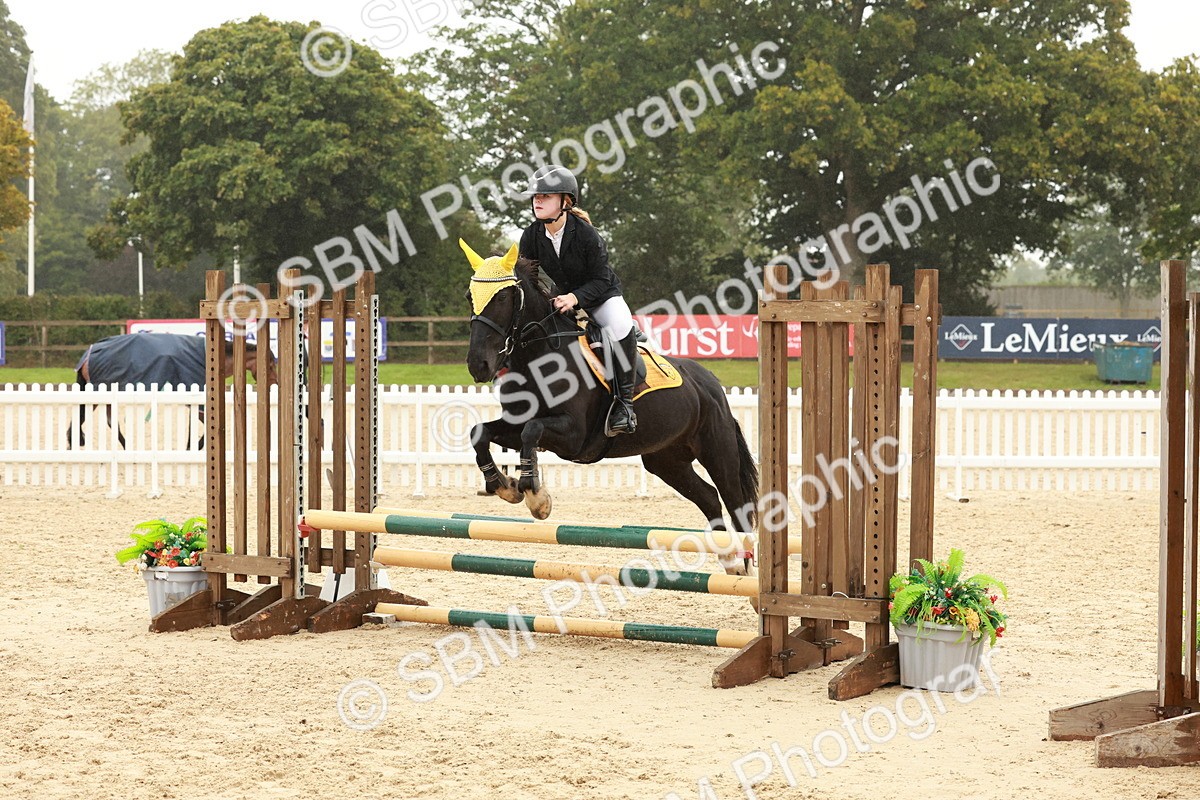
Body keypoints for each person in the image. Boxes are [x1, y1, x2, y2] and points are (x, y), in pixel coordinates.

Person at [518, 164, 638, 437]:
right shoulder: (531, 235)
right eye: (535, 196)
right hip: (562, 298)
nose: (537, 201)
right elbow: (530, 277)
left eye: (545, 196)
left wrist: (574, 297)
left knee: (621, 325)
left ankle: (625, 406)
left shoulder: (586, 234)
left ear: (565, 201)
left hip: (601, 296)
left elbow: (601, 279)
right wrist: (547, 298)